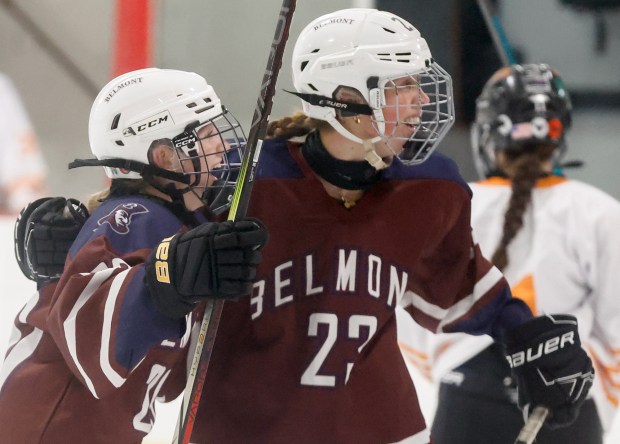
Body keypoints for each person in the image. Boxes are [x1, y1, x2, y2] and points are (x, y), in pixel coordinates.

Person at [4, 11, 595, 444]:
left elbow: (457, 282)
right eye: (402, 86)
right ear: (345, 98)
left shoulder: (431, 187)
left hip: (376, 429)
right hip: (240, 430)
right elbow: (140, 213)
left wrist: (523, 335)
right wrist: (66, 226)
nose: (420, 103)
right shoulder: (240, 183)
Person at [0, 67, 267, 443]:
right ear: (165, 157)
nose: (223, 146)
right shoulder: (134, 220)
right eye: (207, 135)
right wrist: (167, 278)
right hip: (48, 428)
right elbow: (89, 347)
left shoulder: (176, 218)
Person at [397, 63, 620, 444]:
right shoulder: (599, 211)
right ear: (558, 133)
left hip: (465, 403)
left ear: (489, 132)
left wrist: (447, 363)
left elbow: (409, 319)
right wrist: (595, 396)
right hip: (566, 408)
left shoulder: (448, 203)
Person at [0, 72, 47, 214]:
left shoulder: (2, 86)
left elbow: (23, 135)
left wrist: (33, 173)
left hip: (15, 188)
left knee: (31, 202)